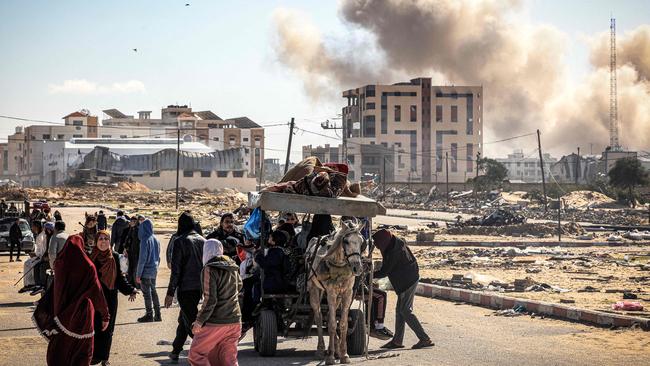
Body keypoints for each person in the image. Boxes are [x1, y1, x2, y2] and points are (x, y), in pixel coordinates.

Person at [32, 235, 110, 366]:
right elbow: (97, 293)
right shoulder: (88, 266)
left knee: (61, 350)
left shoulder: (60, 264)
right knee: (82, 352)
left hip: (61, 316)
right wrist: (105, 315)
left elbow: (54, 289)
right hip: (83, 316)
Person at [372, 229, 434, 350]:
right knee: (399, 311)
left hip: (407, 280)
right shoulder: (395, 242)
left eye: (378, 245)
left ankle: (424, 338)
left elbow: (385, 271)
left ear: (383, 242)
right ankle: (397, 341)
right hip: (408, 277)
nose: (378, 248)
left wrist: (370, 274)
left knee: (405, 310)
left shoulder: (393, 251)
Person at [188, 239, 242, 366]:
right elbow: (239, 286)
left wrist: (199, 321)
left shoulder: (209, 268)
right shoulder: (233, 267)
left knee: (196, 354)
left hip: (216, 321)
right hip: (235, 320)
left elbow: (210, 299)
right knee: (229, 360)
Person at [90, 230, 138, 366]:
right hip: (94, 299)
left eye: (106, 238)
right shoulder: (90, 257)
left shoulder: (115, 257)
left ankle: (105, 357)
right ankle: (93, 355)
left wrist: (131, 290)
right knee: (94, 327)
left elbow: (119, 279)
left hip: (110, 298)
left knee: (108, 329)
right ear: (96, 241)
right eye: (100, 239)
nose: (103, 241)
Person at [165, 211, 205, 362]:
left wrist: (170, 293)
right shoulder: (202, 240)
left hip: (186, 288)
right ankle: (176, 349)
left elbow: (176, 271)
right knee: (184, 319)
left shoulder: (180, 241)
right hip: (199, 287)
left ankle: (205, 350)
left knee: (192, 322)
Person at [136, 219, 162, 323]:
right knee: (154, 292)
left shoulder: (144, 240)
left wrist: (138, 274)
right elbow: (158, 257)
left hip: (146, 270)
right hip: (154, 270)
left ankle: (149, 314)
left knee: (147, 294)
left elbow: (142, 259)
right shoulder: (156, 239)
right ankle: (158, 314)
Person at [254, 230, 289, 294]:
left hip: (275, 281)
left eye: (270, 237)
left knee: (254, 285)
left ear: (274, 240)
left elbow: (266, 264)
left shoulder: (276, 252)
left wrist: (258, 256)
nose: (269, 238)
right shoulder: (279, 250)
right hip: (276, 279)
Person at [19, 221, 47, 295]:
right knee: (27, 263)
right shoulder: (38, 235)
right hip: (38, 255)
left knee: (31, 264)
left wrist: (36, 255)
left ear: (37, 227)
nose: (32, 228)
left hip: (41, 257)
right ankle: (28, 284)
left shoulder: (42, 236)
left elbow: (43, 250)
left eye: (33, 226)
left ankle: (33, 283)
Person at [122, 217, 140, 286]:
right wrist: (125, 248)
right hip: (130, 251)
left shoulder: (137, 230)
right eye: (131, 221)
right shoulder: (131, 229)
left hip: (135, 252)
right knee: (130, 267)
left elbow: (136, 242)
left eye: (134, 221)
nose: (132, 222)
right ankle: (130, 282)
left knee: (134, 267)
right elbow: (128, 239)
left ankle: (134, 283)